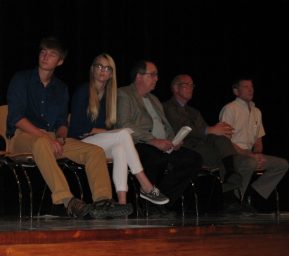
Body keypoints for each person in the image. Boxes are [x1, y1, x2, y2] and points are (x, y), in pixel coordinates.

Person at [6, 36, 132, 219]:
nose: (45, 56)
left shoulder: (61, 88)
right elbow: (16, 118)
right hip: (22, 137)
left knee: (95, 152)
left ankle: (103, 202)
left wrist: (60, 137)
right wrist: (49, 139)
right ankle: (68, 201)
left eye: (52, 54)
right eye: (43, 52)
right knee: (41, 142)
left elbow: (62, 123)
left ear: (60, 61)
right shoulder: (21, 79)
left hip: (51, 139)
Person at [68, 53, 169, 206]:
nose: (103, 71)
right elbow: (77, 128)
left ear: (111, 74)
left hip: (98, 142)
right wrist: (103, 132)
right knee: (122, 133)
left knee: (120, 148)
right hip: (80, 142)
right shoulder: (83, 91)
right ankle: (146, 185)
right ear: (92, 69)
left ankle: (122, 202)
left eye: (108, 68)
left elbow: (109, 127)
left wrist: (103, 132)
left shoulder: (111, 96)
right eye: (99, 66)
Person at [116, 60, 203, 214]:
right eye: (152, 75)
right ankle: (152, 202)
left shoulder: (154, 100)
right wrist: (153, 140)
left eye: (156, 75)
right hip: (140, 143)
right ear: (139, 77)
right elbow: (124, 124)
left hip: (162, 145)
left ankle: (161, 202)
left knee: (194, 159)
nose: (156, 78)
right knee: (156, 158)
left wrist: (173, 140)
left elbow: (165, 126)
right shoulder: (124, 94)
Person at [163, 74, 245, 213]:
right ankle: (228, 195)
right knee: (222, 154)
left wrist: (218, 131)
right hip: (183, 147)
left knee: (221, 138)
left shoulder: (194, 111)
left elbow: (206, 133)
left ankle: (230, 175)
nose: (190, 88)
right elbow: (183, 129)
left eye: (192, 85)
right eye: (186, 85)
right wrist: (211, 129)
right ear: (175, 88)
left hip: (201, 145)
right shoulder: (167, 107)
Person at [219, 78, 289, 206]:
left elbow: (258, 139)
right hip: (233, 154)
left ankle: (252, 195)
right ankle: (235, 202)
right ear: (236, 91)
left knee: (282, 164)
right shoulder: (230, 109)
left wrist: (258, 154)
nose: (250, 89)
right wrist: (249, 155)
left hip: (249, 155)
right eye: (245, 86)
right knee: (249, 162)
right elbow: (225, 141)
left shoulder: (257, 111)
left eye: (251, 86)